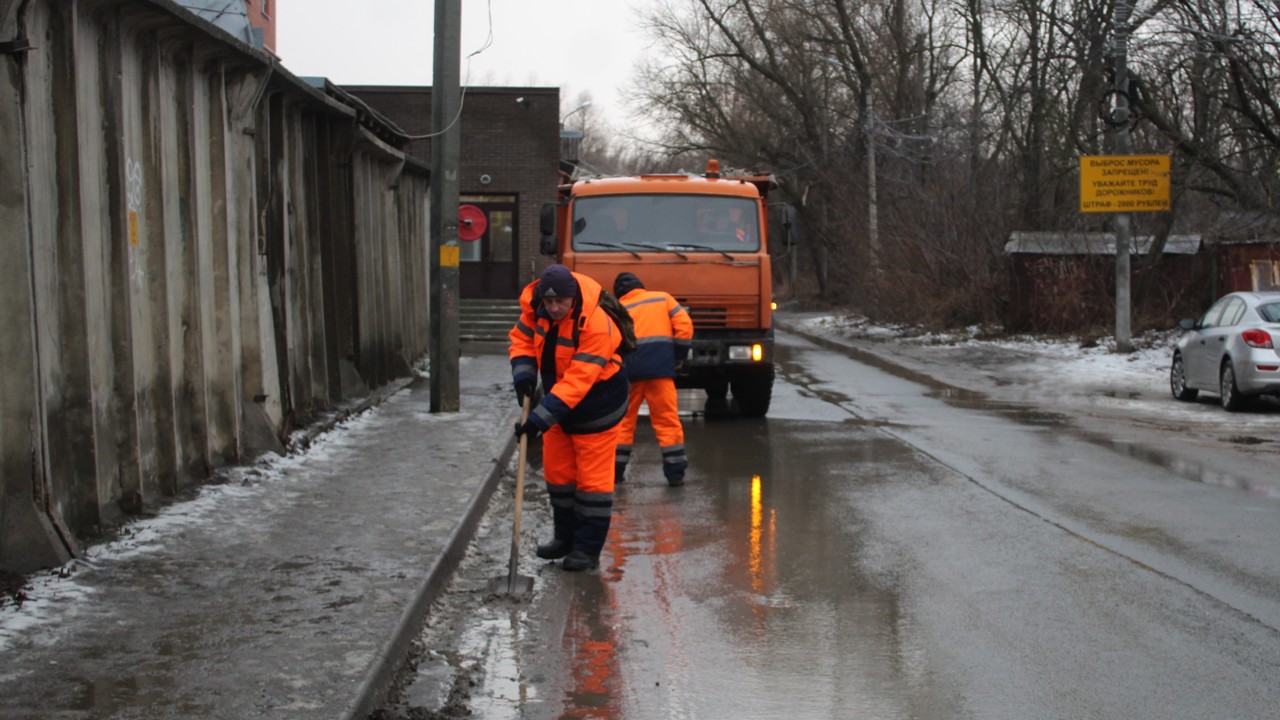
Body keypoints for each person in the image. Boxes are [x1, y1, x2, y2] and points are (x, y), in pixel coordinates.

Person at [509, 264, 630, 571]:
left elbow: (579, 380)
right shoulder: (536, 310)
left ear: (573, 298)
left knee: (592, 483)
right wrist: (523, 374)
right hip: (558, 406)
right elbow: (521, 340)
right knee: (559, 476)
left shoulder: (596, 325)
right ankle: (564, 538)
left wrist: (538, 419)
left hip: (598, 407)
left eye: (560, 302)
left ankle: (587, 550)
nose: (554, 308)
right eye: (548, 303)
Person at [612, 272, 694, 486]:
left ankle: (615, 471)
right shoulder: (662, 298)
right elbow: (685, 328)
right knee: (667, 420)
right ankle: (675, 472)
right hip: (660, 373)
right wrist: (678, 358)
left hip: (630, 376)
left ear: (619, 293)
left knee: (623, 422)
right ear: (641, 286)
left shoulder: (617, 309)